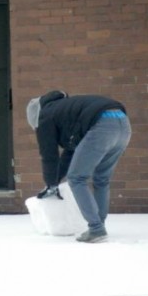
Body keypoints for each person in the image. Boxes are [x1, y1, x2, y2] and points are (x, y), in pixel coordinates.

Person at [26, 90, 131, 243]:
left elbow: (49, 156)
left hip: (102, 126)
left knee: (76, 178)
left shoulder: (45, 116)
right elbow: (71, 151)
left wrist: (51, 185)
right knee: (102, 179)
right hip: (122, 123)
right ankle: (99, 225)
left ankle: (96, 228)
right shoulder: (66, 109)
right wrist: (54, 180)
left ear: (35, 117)